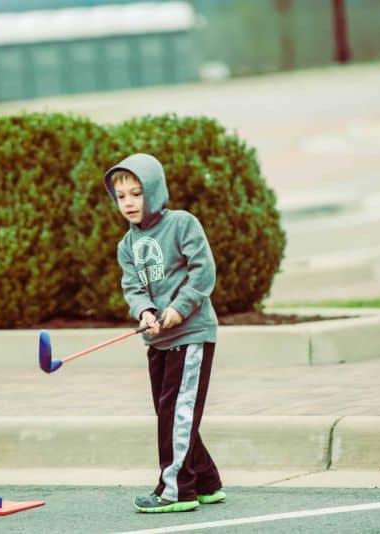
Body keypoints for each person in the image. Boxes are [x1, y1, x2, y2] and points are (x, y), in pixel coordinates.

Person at [104, 153, 225, 513]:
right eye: (121, 196)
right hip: (157, 339)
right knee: (170, 413)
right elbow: (133, 287)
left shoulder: (182, 224)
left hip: (190, 336)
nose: (128, 202)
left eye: (137, 193)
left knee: (177, 413)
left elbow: (203, 272)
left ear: (154, 192)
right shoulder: (127, 245)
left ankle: (175, 490)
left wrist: (177, 309)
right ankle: (206, 482)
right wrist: (145, 311)